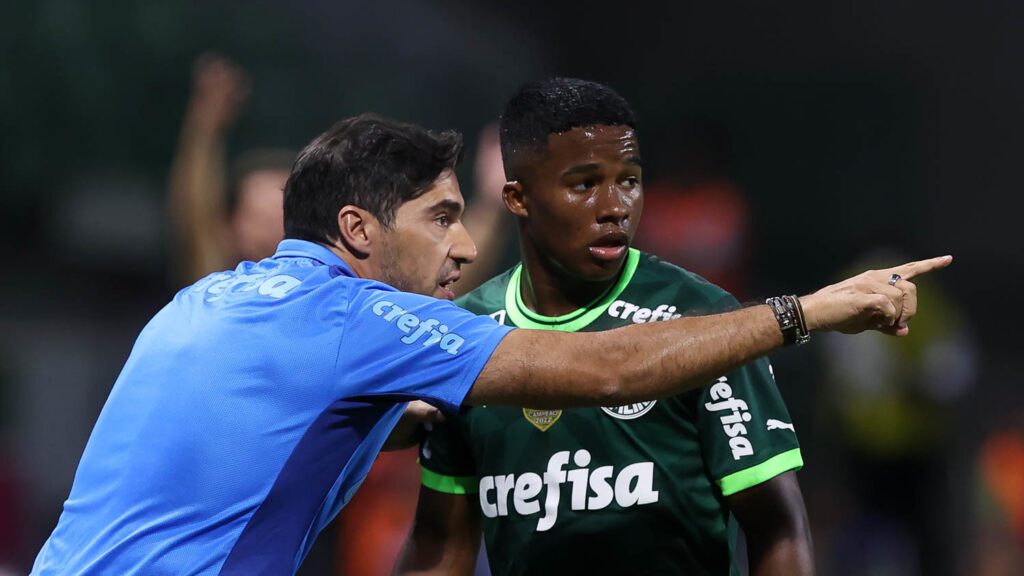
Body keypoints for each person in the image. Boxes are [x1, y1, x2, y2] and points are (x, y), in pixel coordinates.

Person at [32, 113, 947, 575]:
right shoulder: (347, 322)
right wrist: (808, 311)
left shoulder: (210, 301)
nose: (464, 247)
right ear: (358, 229)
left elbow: (300, 434)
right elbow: (610, 364)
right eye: (439, 219)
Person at [395, 78, 812, 576]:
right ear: (517, 197)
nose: (615, 206)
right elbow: (441, 543)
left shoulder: (705, 321)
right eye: (584, 184)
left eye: (629, 180)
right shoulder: (465, 333)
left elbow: (778, 528)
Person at [168, 53, 294, 283]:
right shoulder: (219, 288)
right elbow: (198, 220)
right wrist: (204, 127)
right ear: (232, 227)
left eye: (282, 213)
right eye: (260, 216)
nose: (273, 227)